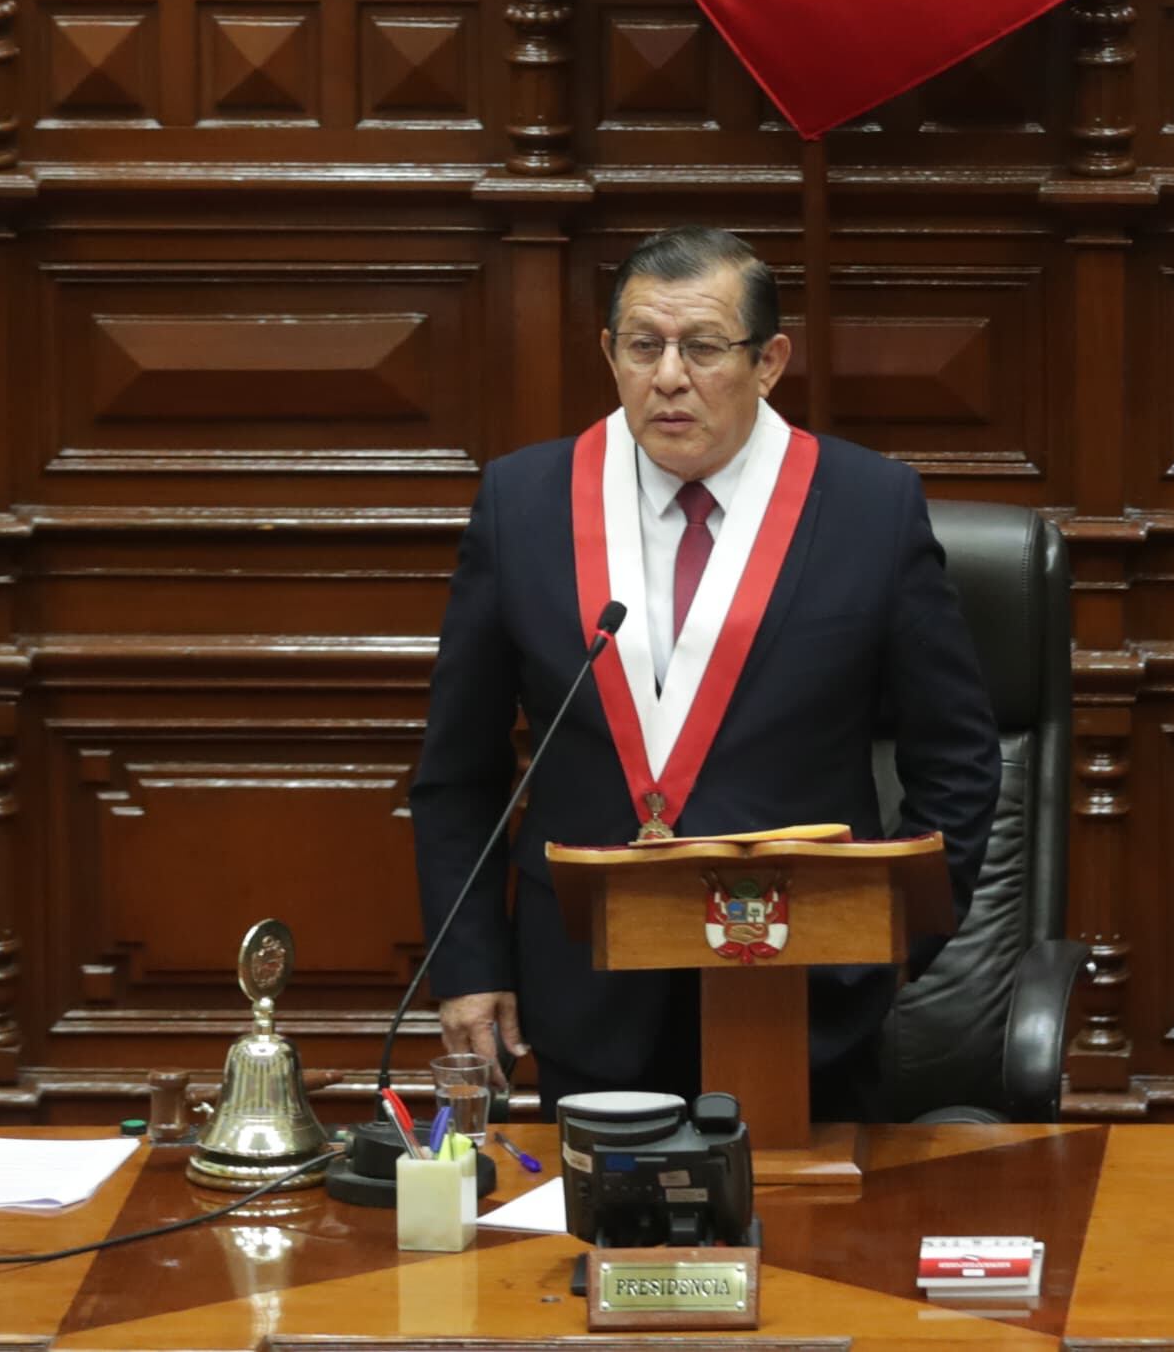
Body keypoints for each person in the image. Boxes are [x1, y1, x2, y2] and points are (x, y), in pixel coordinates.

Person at [411, 224, 1003, 1116]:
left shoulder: (868, 508)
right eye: (644, 346)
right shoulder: (523, 503)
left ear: (769, 361)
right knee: (601, 1254)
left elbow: (956, 757)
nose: (670, 376)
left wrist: (886, 940)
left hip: (804, 987)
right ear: (609, 354)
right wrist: (466, 965)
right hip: (585, 988)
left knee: (812, 1251)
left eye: (704, 347)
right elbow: (460, 771)